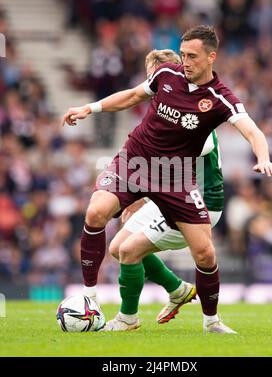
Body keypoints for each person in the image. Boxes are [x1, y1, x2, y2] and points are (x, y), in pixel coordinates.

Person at [63, 25, 272, 335]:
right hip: (134, 160)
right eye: (182, 55)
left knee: (205, 253)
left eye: (192, 56)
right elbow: (134, 95)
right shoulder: (167, 74)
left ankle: (212, 323)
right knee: (97, 212)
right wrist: (90, 107)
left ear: (211, 57)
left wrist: (263, 157)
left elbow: (252, 130)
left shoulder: (220, 98)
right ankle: (91, 300)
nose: (185, 62)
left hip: (174, 177)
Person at [105, 49, 226, 331]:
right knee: (116, 248)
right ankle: (177, 289)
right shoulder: (166, 115)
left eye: (155, 78)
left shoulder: (194, 114)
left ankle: (127, 319)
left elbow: (179, 163)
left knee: (130, 251)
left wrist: (142, 195)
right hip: (169, 195)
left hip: (201, 203)